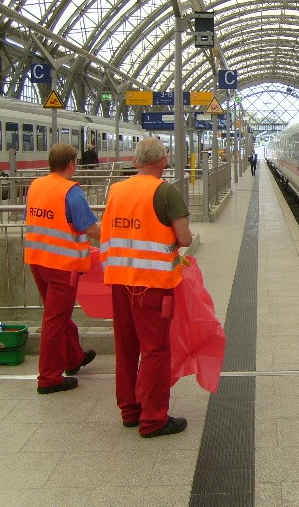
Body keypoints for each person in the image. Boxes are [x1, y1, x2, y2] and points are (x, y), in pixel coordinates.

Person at [101, 137, 193, 438]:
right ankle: (153, 418)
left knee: (126, 347)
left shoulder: (115, 190)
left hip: (119, 280)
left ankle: (130, 410)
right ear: (163, 161)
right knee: (154, 350)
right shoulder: (166, 192)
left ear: (136, 161)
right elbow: (185, 238)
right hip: (151, 285)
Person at [24, 143, 100, 394]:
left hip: (38, 259)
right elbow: (89, 227)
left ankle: (73, 357)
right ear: (71, 164)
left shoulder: (36, 185)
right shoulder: (72, 192)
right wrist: (116, 238)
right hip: (62, 265)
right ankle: (49, 377)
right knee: (55, 320)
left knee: (58, 314)